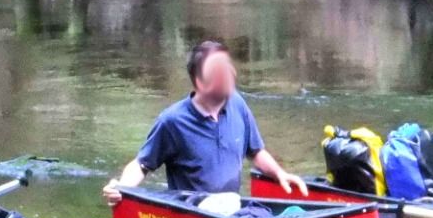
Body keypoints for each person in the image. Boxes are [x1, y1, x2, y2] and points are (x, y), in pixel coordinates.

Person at [103, 39, 310, 205]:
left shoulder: (237, 104)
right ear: (201, 82)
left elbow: (255, 151)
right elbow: (142, 164)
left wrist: (280, 174)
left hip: (232, 211)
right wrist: (121, 188)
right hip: (193, 216)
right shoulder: (173, 121)